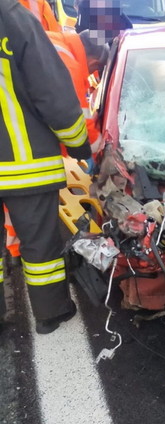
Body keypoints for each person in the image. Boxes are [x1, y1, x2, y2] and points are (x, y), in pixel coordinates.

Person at [0, 0, 92, 334]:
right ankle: (51, 313)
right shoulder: (11, 17)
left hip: (24, 164)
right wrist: (79, 142)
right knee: (40, 245)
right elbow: (51, 92)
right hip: (25, 164)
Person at [47, 29, 108, 155]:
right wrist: (96, 150)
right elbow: (76, 119)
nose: (92, 74)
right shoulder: (69, 67)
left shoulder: (53, 40)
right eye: (95, 70)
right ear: (94, 63)